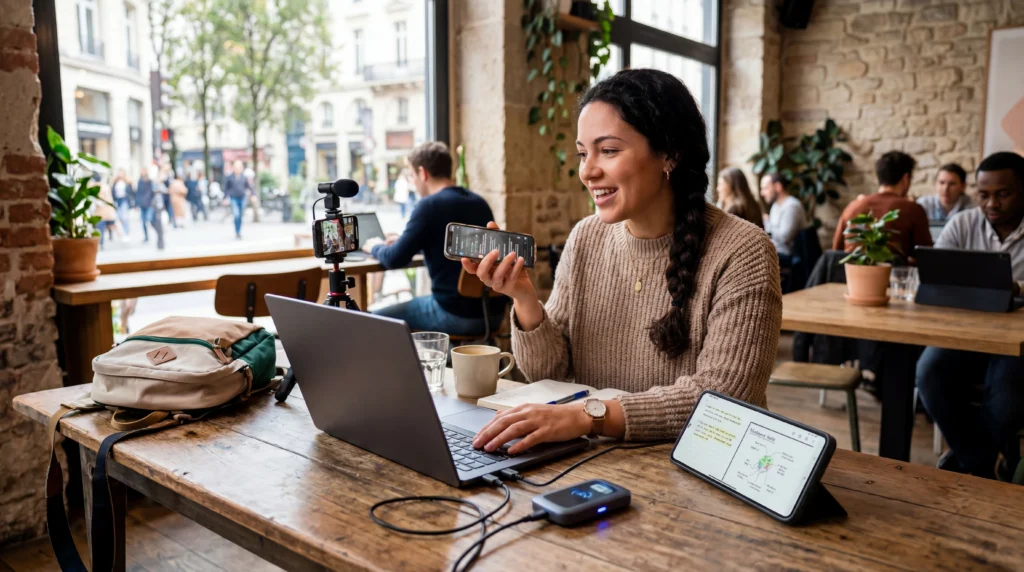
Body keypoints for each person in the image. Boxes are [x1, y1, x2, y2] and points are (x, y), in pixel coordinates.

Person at [464, 69, 782, 455]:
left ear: (670, 155)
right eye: (583, 153)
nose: (587, 171)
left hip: (699, 471)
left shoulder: (743, 250)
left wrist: (588, 416)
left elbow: (725, 398)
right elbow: (551, 377)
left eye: (608, 150)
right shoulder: (586, 236)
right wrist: (524, 298)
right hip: (594, 463)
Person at [916, 152, 1024, 480]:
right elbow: (938, 274)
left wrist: (1014, 285)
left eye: (1002, 194)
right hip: (967, 333)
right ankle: (980, 460)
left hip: (1017, 342)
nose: (991, 203)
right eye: (983, 193)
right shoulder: (964, 222)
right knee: (928, 373)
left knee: (1005, 394)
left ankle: (973, 459)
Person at [362, 141, 508, 336]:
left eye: (412, 176)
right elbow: (451, 244)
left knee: (370, 319)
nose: (413, 182)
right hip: (494, 313)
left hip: (455, 313)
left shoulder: (429, 206)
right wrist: (405, 240)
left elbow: (394, 258)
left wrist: (374, 247)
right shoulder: (478, 202)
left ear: (423, 173)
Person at [833, 151, 932, 259]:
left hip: (848, 274)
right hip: (891, 275)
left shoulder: (852, 207)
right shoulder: (913, 210)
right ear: (905, 178)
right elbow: (926, 258)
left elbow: (836, 253)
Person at [759, 172, 805, 257]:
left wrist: (767, 222)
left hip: (787, 255)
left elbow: (785, 237)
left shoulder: (791, 205)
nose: (762, 193)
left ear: (778, 187)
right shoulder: (775, 206)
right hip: (775, 251)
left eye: (765, 188)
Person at [224, 160, 251, 239]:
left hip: (242, 198)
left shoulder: (244, 177)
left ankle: (239, 231)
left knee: (240, 215)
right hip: (234, 198)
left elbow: (249, 187)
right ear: (233, 168)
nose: (238, 169)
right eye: (236, 167)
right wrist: (225, 198)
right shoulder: (229, 177)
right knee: (236, 215)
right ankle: (237, 231)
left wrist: (253, 195)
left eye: (239, 167)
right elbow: (226, 188)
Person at [111, 169, 133, 236]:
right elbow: (113, 192)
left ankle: (126, 232)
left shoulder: (127, 182)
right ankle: (122, 232)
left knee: (125, 217)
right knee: (118, 217)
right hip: (117, 200)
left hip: (124, 200)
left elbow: (131, 192)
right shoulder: (115, 182)